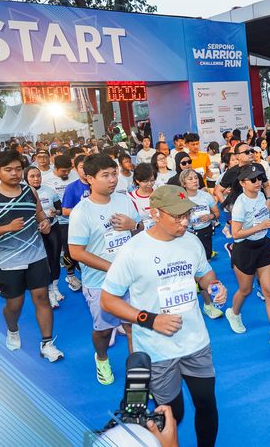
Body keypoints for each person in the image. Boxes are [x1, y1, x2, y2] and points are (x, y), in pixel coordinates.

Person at [100, 185, 227, 447]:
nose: (185, 222)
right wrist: (151, 320)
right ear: (155, 213)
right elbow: (108, 300)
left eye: (187, 214)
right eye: (177, 216)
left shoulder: (191, 241)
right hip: (157, 350)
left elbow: (204, 274)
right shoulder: (133, 250)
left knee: (207, 404)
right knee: (172, 414)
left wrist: (214, 285)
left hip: (196, 342)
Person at [0, 150, 63, 362]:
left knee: (42, 298)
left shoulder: (29, 191)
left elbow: (39, 213)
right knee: (15, 305)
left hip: (36, 256)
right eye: (8, 170)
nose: (14, 173)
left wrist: (44, 222)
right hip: (8, 261)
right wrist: (7, 228)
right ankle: (12, 329)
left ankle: (47, 343)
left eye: (18, 169)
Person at [69, 154, 141, 385]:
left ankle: (137, 376)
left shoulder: (125, 201)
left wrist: (134, 225)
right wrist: (113, 268)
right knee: (103, 331)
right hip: (100, 283)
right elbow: (76, 252)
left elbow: (142, 233)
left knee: (134, 328)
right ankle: (101, 358)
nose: (112, 179)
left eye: (114, 173)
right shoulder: (81, 212)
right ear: (90, 178)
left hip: (131, 279)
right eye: (105, 175)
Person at [224, 164, 270, 345]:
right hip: (244, 249)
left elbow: (260, 219)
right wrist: (260, 227)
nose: (258, 182)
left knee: (269, 290)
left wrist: (269, 226)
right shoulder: (240, 204)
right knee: (245, 290)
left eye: (260, 178)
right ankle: (234, 313)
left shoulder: (261, 195)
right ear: (242, 183)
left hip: (262, 246)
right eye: (253, 179)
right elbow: (236, 233)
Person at [179, 169, 223, 320]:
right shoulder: (180, 198)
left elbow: (217, 213)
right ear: (183, 183)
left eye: (196, 178)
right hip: (186, 236)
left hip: (205, 234)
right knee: (188, 270)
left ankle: (207, 305)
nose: (195, 181)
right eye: (190, 179)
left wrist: (210, 216)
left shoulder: (206, 196)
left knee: (203, 270)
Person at [25, 166, 65, 308]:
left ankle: (55, 287)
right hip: (35, 232)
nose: (36, 179)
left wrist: (56, 212)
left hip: (53, 227)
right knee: (43, 262)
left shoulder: (49, 190)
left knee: (55, 258)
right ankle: (49, 292)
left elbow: (60, 209)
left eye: (38, 175)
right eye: (32, 176)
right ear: (25, 178)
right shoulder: (23, 194)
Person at [45, 154, 82, 291]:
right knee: (68, 249)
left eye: (68, 170)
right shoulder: (46, 180)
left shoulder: (75, 175)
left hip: (79, 219)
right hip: (61, 221)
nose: (67, 173)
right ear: (55, 168)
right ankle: (70, 275)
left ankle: (79, 266)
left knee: (82, 246)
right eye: (63, 171)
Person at [129, 163, 157, 231]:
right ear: (137, 180)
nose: (149, 184)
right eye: (145, 181)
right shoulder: (130, 198)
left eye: (152, 180)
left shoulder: (160, 192)